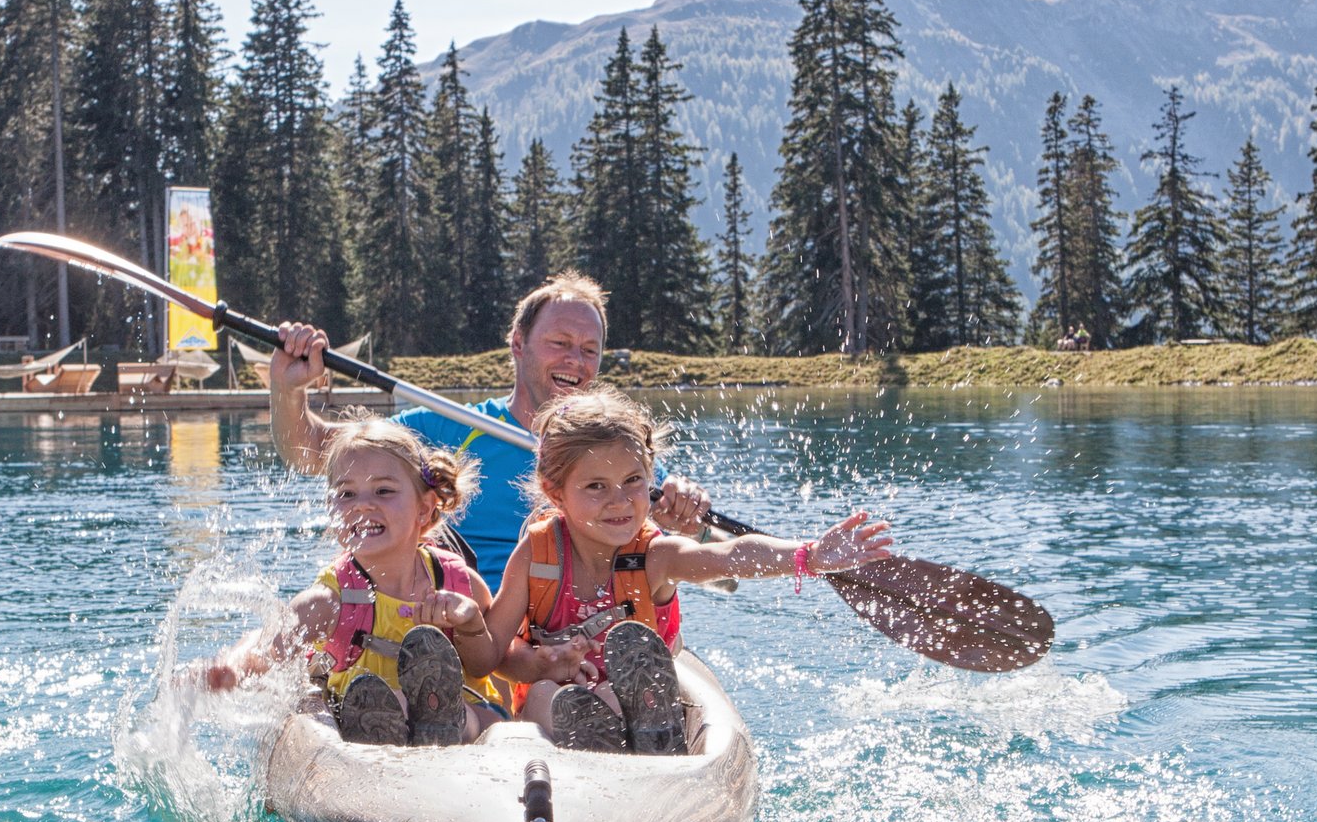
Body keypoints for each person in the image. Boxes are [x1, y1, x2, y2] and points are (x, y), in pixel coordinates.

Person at [452, 388, 896, 755]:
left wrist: (807, 555)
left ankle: (650, 734)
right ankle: (601, 741)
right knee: (553, 695)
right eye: (595, 487)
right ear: (555, 492)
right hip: (561, 706)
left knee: (613, 696)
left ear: (650, 477)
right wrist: (539, 663)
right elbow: (492, 656)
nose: (620, 500)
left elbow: (730, 558)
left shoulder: (655, 556)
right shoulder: (539, 553)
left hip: (644, 698)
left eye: (633, 480)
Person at [267, 272, 710, 592]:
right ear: (518, 344)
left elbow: (695, 563)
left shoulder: (622, 455)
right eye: (559, 343)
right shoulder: (451, 428)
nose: (575, 360)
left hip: (576, 632)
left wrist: (687, 523)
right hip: (468, 625)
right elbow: (311, 449)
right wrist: (289, 392)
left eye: (589, 350)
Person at [198, 417, 504, 746]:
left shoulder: (458, 584)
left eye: (384, 491)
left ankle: (439, 725)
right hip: (364, 728)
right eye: (346, 493)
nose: (362, 504)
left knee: (482, 718)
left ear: (424, 509)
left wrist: (471, 623)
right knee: (377, 704)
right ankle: (386, 720)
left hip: (460, 720)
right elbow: (269, 645)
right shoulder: (331, 602)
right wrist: (230, 668)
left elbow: (487, 664)